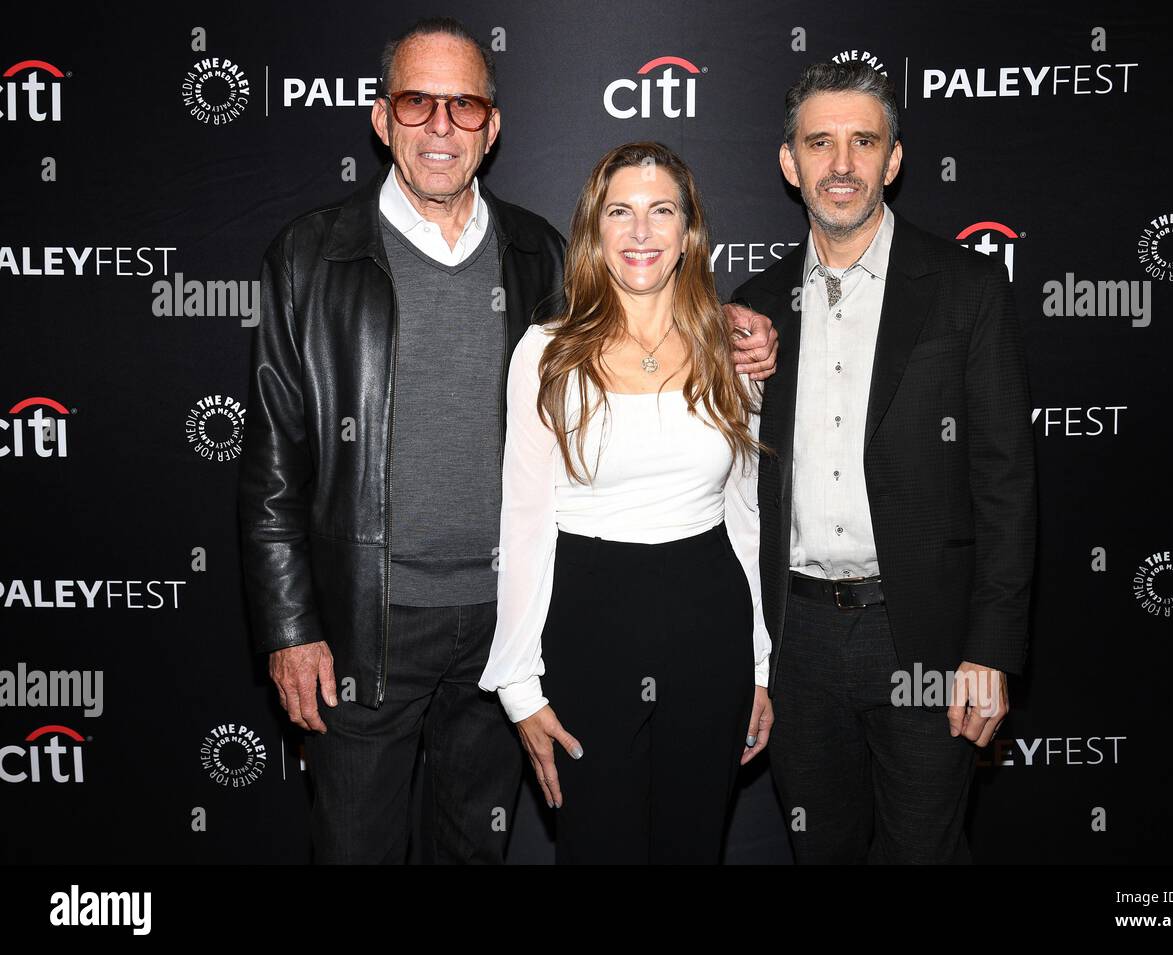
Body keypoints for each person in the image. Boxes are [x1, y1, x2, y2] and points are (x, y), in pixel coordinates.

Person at [237, 17, 778, 864]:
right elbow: (272, 462)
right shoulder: (309, 257)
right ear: (382, 121)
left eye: (465, 105)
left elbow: (639, 316)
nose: (442, 126)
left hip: (502, 620)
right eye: (418, 103)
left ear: (493, 127)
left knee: (475, 850)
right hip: (362, 622)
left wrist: (736, 328)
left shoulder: (538, 255)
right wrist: (289, 624)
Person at [729, 61, 1036, 864]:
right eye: (819, 142)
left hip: (925, 637)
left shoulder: (966, 288)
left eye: (863, 141)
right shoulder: (752, 310)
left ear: (893, 160)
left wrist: (992, 648)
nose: (841, 164)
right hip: (797, 642)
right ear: (789, 163)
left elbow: (1005, 483)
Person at [478, 141, 776, 864]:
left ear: (689, 232)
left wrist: (761, 661)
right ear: (594, 228)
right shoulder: (546, 352)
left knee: (692, 847)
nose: (641, 232)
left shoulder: (730, 352)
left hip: (711, 631)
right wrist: (518, 684)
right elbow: (523, 521)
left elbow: (745, 513)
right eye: (621, 212)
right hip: (588, 632)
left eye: (661, 211)